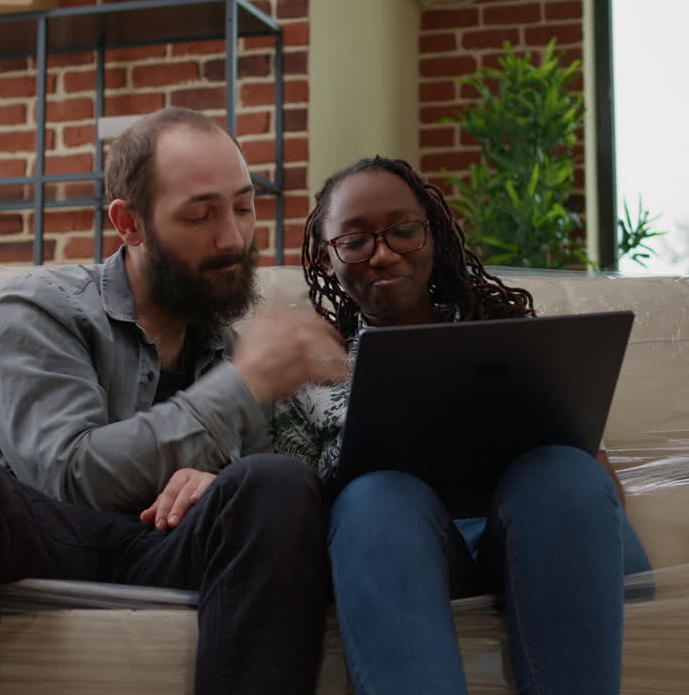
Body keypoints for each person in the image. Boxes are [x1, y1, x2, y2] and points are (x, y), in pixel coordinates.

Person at [0, 107, 349, 695]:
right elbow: (67, 475)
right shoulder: (39, 309)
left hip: (163, 547)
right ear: (130, 224)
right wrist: (240, 387)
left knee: (275, 482)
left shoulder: (228, 350)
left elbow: (259, 507)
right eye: (200, 214)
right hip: (42, 537)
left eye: (244, 207)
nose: (232, 238)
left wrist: (218, 480)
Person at [272, 156, 652, 695]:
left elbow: (599, 482)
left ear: (434, 232)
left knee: (564, 473)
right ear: (326, 257)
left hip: (547, 545)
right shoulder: (303, 373)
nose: (382, 254)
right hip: (399, 559)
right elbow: (290, 518)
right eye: (354, 241)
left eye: (403, 230)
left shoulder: (512, 337)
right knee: (375, 497)